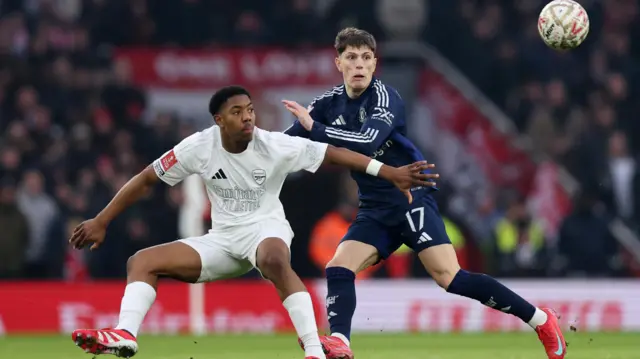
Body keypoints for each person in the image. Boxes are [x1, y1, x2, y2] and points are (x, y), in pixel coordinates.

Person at [68, 86, 437, 359]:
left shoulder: (274, 145)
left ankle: (313, 349)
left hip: (267, 230)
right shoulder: (198, 146)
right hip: (223, 240)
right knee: (141, 261)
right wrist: (102, 220)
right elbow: (147, 178)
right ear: (219, 120)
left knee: (275, 260)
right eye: (237, 111)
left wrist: (390, 172)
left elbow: (336, 154)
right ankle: (126, 335)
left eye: (250, 109)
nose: (248, 117)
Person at [283, 27, 567, 359]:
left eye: (365, 58)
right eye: (350, 58)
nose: (358, 64)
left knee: (450, 278)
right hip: (374, 207)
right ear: (338, 63)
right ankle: (341, 343)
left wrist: (314, 129)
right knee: (338, 267)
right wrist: (243, 148)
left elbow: (367, 143)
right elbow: (285, 142)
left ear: (375, 64)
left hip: (410, 198)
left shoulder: (386, 99)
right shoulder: (328, 104)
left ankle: (541, 320)